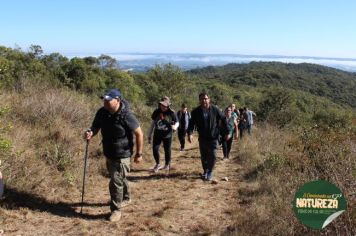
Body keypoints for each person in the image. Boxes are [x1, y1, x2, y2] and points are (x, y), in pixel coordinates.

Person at [84, 89, 143, 222]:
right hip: (109, 152)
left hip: (123, 154)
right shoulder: (102, 112)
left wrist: (139, 154)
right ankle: (126, 197)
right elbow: (95, 126)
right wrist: (90, 132)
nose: (105, 102)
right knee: (119, 178)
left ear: (118, 100)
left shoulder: (127, 115)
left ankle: (116, 210)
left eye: (108, 100)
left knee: (115, 181)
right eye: (104, 99)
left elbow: (139, 134)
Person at [187, 92, 230, 181]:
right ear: (199, 100)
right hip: (202, 137)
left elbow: (223, 119)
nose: (204, 100)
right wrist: (190, 134)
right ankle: (205, 171)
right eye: (202, 99)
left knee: (213, 155)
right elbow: (191, 124)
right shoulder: (195, 112)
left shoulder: (215, 109)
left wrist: (227, 132)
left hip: (214, 137)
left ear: (209, 100)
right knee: (204, 156)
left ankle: (210, 171)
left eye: (206, 98)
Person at [148, 96, 178, 172]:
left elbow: (177, 122)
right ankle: (158, 164)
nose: (163, 106)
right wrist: (149, 134)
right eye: (162, 105)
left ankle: (167, 164)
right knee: (155, 149)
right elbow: (152, 123)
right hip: (157, 134)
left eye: (165, 105)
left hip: (167, 135)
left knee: (167, 150)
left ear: (168, 105)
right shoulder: (156, 112)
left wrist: (175, 127)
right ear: (160, 104)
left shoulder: (172, 112)